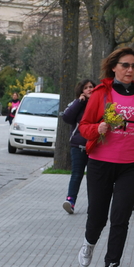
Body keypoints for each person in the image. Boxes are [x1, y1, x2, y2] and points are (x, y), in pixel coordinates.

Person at [76, 47, 134, 267]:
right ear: (113, 67)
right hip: (101, 162)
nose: (130, 70)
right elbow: (84, 126)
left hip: (132, 164)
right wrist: (98, 128)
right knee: (98, 214)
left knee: (121, 217)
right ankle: (89, 241)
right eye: (125, 65)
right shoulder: (100, 94)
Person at [61, 78, 96, 214]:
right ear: (81, 90)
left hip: (95, 146)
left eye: (91, 87)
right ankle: (70, 201)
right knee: (77, 174)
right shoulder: (77, 104)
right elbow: (67, 117)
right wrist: (79, 102)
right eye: (86, 87)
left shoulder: (99, 104)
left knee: (93, 177)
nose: (89, 89)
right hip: (78, 146)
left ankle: (93, 205)